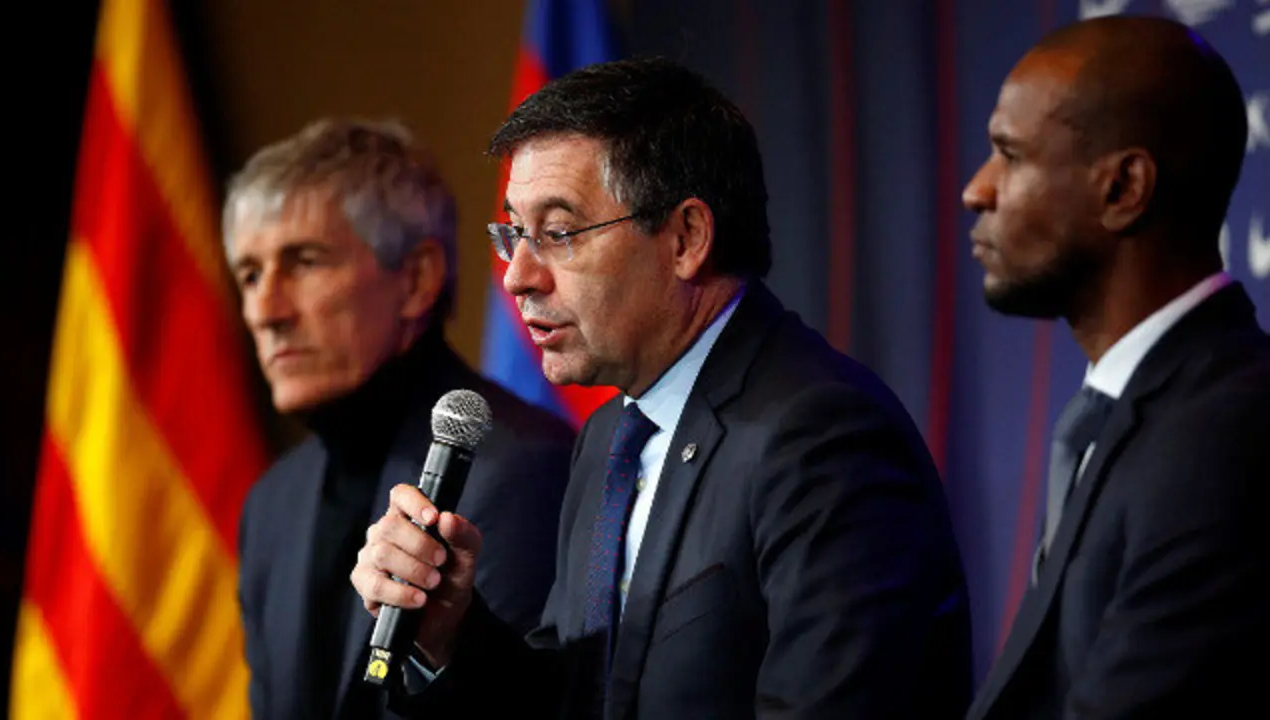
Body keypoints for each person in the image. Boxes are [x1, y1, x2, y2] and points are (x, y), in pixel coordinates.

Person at [351, 57, 973, 718]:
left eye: (558, 234)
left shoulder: (822, 437)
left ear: (685, 238)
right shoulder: (610, 437)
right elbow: (578, 699)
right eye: (515, 234)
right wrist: (450, 631)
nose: (517, 276)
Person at [962, 16, 1270, 719]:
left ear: (1124, 188)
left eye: (1009, 155)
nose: (977, 190)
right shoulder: (1138, 413)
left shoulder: (1226, 437)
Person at [226, 118, 576, 720]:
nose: (264, 310)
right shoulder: (271, 502)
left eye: (303, 262)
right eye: (250, 274)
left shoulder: (523, 468)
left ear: (416, 279)